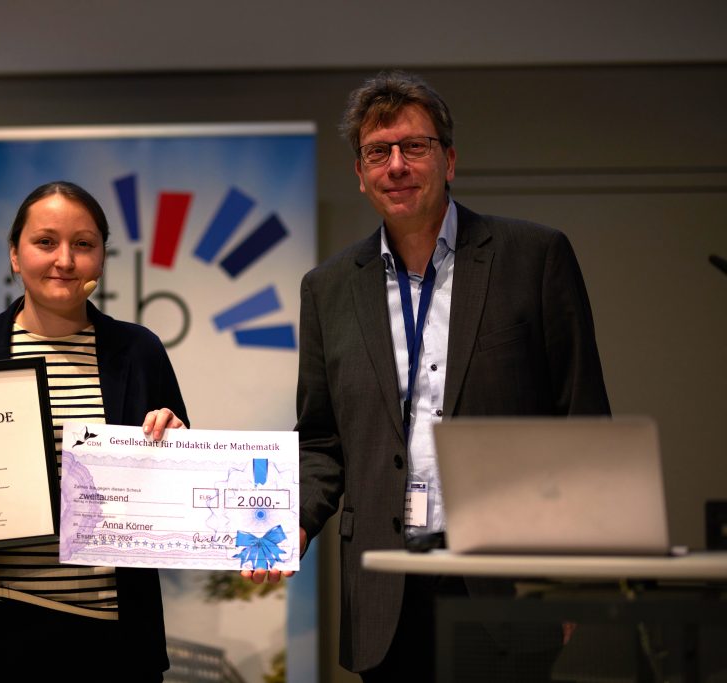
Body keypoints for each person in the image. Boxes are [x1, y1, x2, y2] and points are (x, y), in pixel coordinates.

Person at [248, 71, 610, 680]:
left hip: (504, 575)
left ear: (449, 159)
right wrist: (294, 521)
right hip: (385, 585)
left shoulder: (533, 257)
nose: (396, 165)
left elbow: (582, 421)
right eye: (377, 152)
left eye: (413, 146)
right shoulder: (328, 289)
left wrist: (571, 577)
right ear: (359, 173)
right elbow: (322, 439)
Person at [0, 181, 188, 681]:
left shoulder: (139, 351)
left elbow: (176, 498)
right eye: (46, 242)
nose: (65, 260)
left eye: (84, 244)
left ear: (101, 258)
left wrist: (177, 447)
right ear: (15, 255)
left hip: (112, 637)